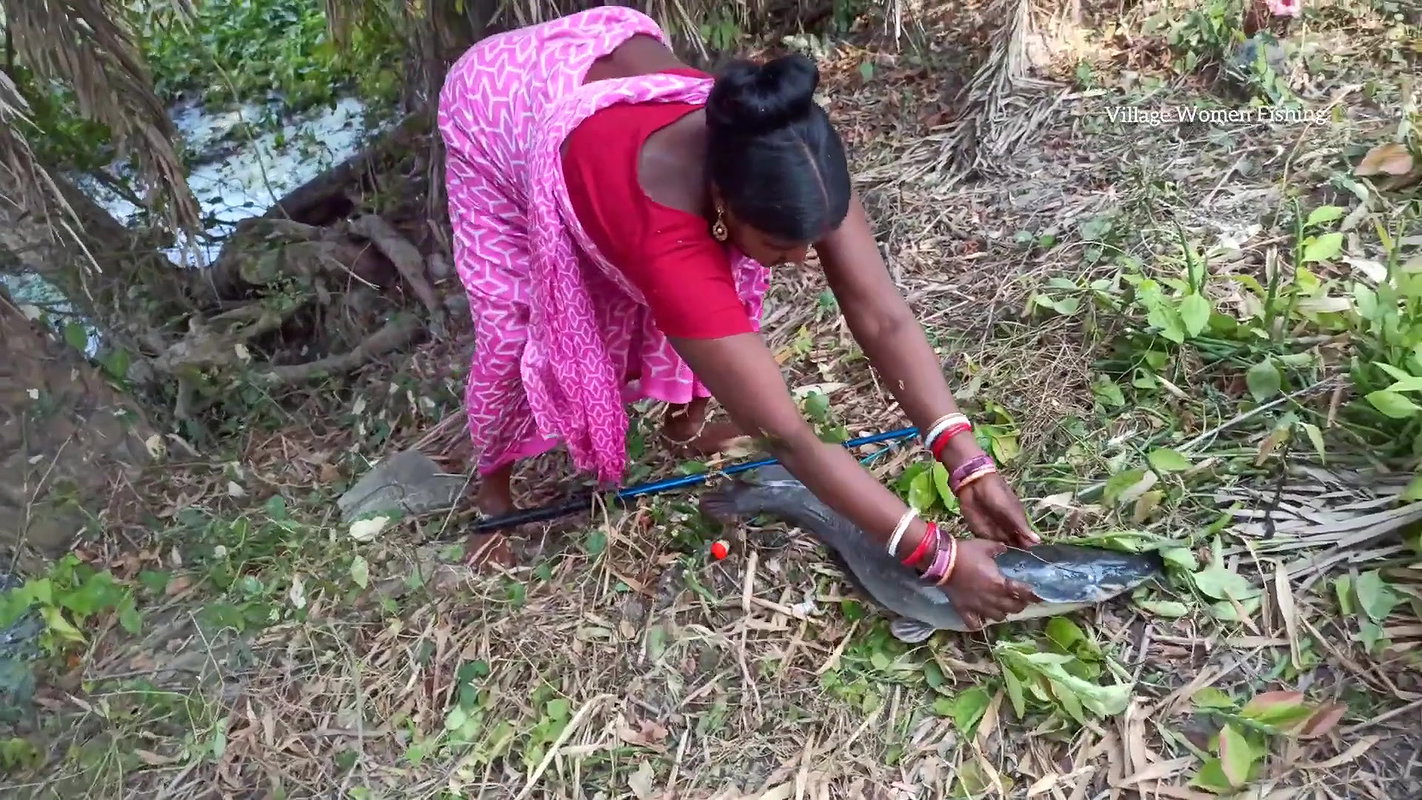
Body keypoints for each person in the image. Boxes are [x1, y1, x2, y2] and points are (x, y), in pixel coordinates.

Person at [438, 7, 1039, 628]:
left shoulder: (790, 150)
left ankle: (682, 422)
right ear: (721, 203)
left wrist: (967, 461)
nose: (803, 261)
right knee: (516, 325)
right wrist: (940, 560)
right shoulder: (666, 240)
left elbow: (883, 317)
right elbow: (789, 437)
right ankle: (494, 494)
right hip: (494, 108)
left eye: (811, 240)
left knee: (701, 304)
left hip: (593, 53)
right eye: (783, 247)